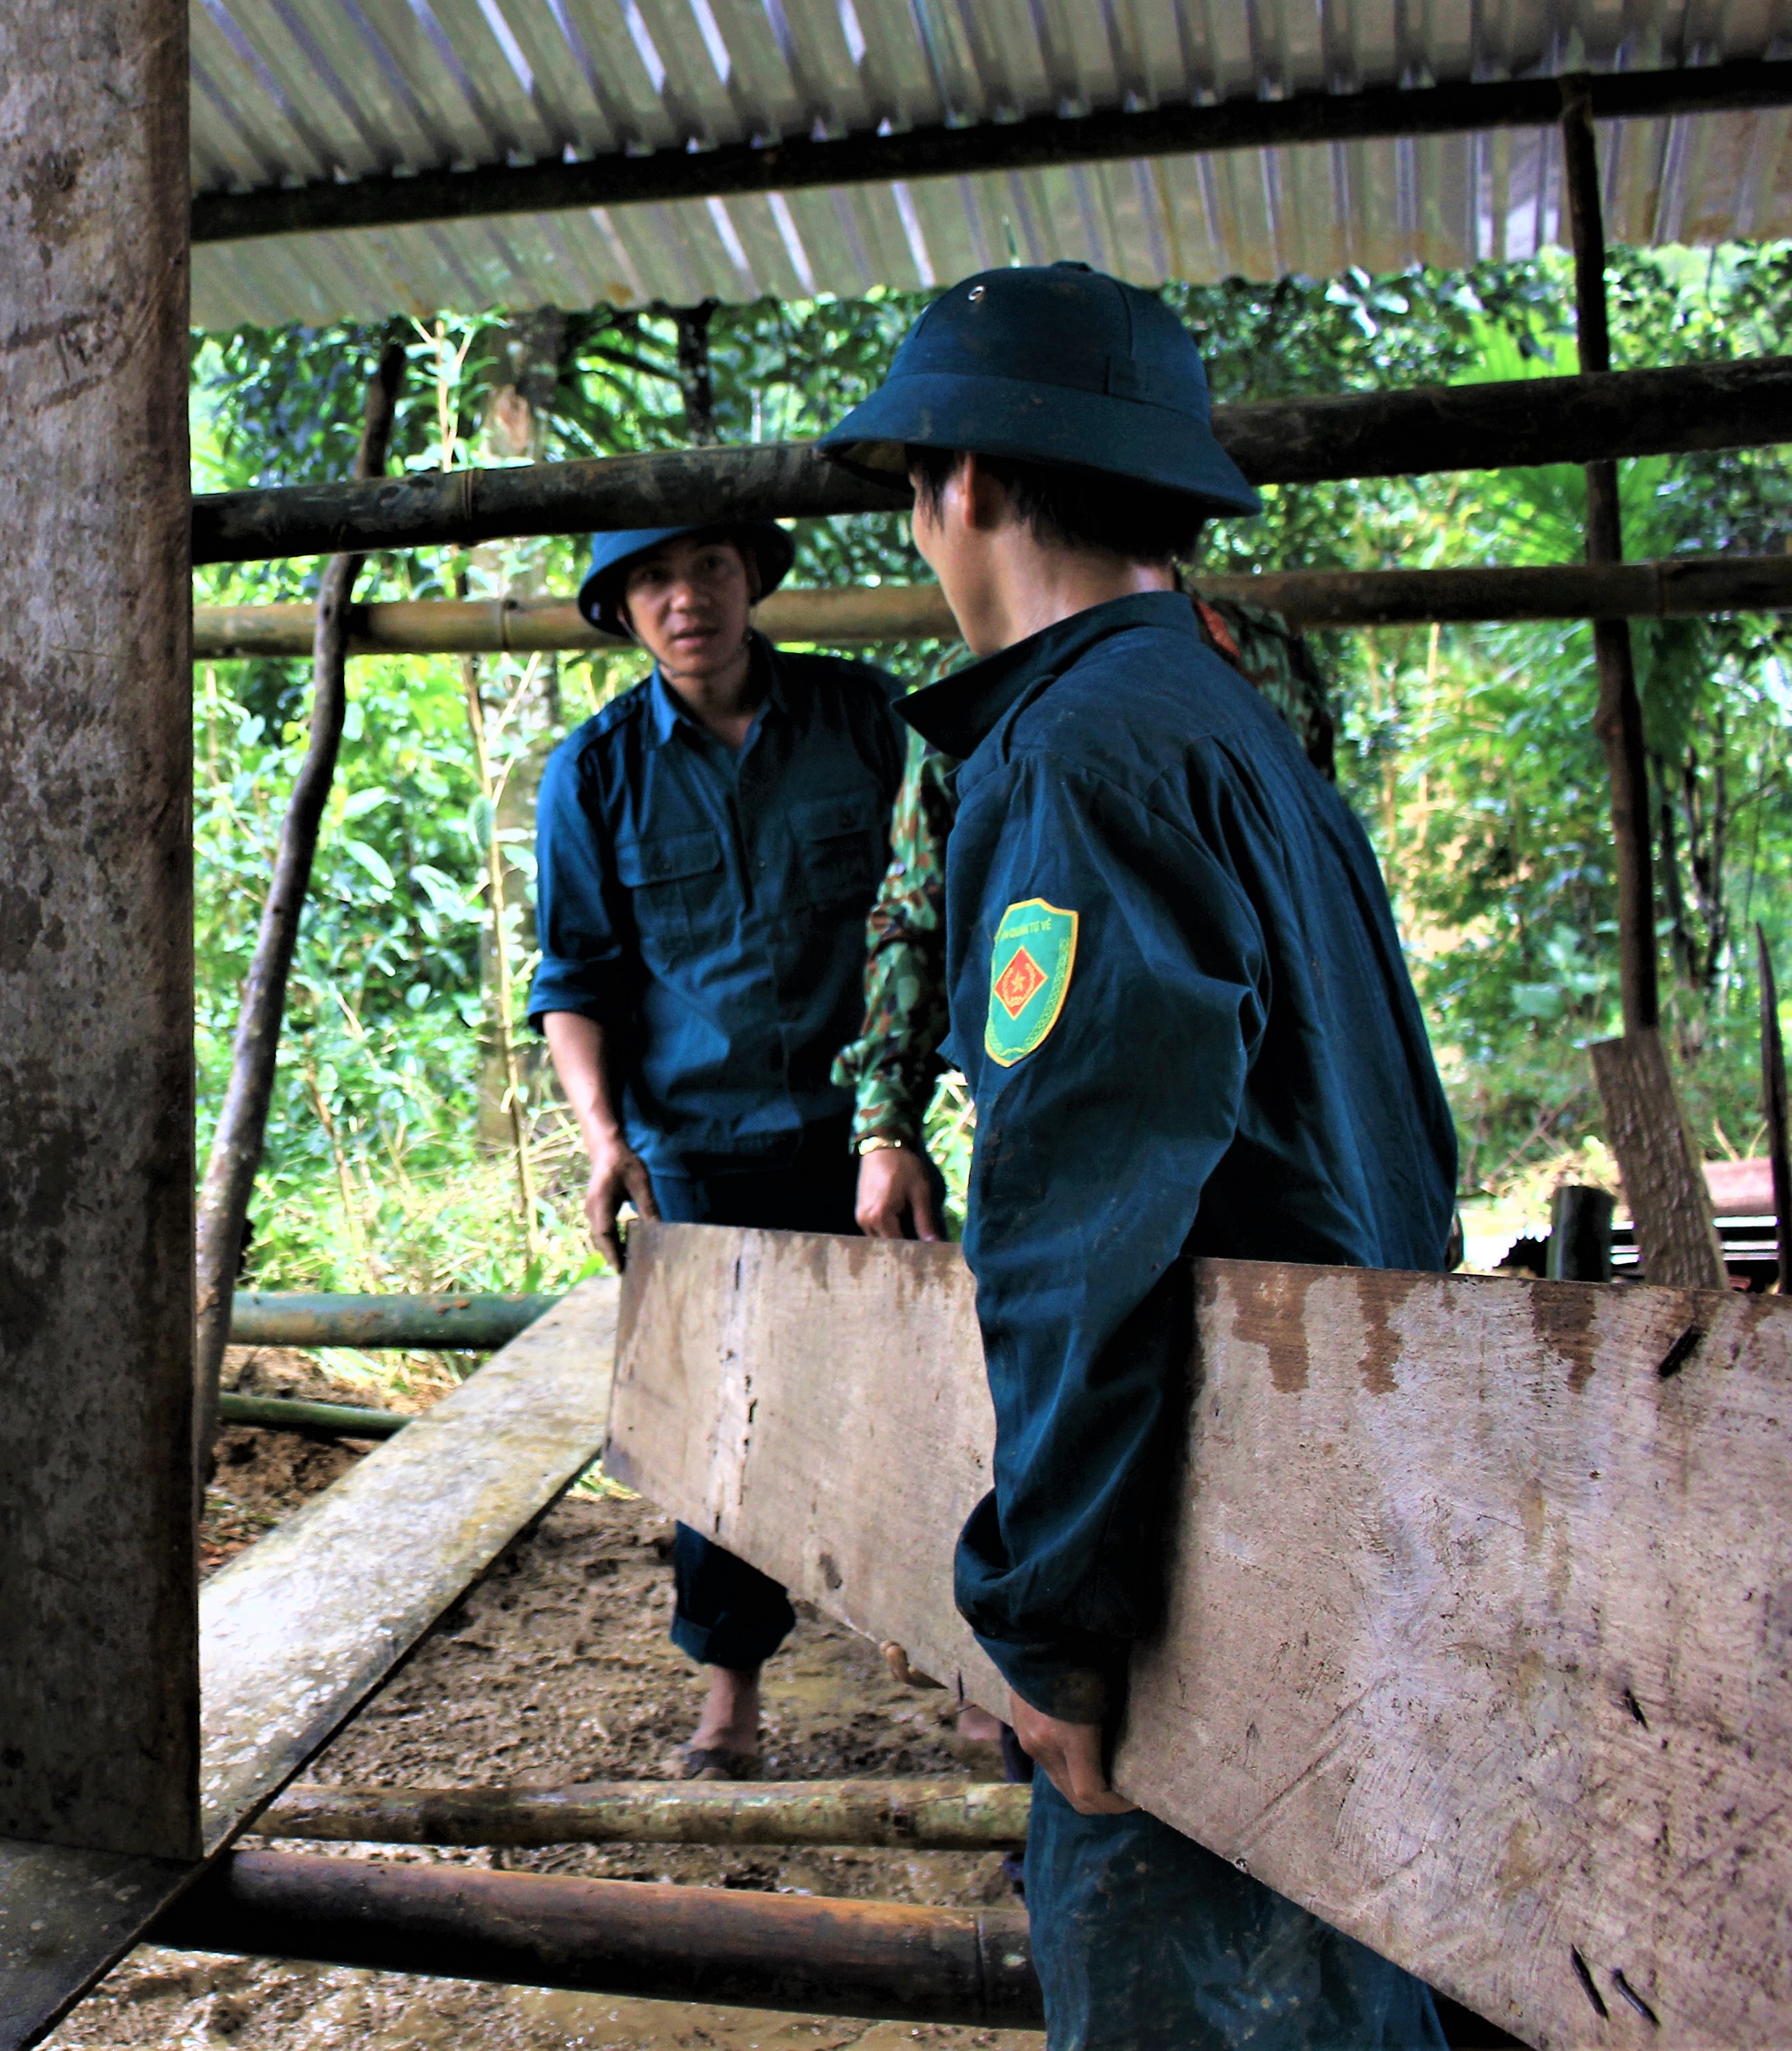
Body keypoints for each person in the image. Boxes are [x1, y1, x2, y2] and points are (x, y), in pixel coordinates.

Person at [818, 262, 1455, 2048]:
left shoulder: (1076, 759)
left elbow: (1081, 1225)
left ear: (966, 481)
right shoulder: (1236, 734)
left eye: (910, 491)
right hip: (1339, 1484)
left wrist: (1051, 1621)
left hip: (1196, 1546)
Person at [527, 512, 909, 1779]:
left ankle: (960, 1669)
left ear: (750, 578)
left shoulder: (867, 720)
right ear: (622, 612)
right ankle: (729, 1701)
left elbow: (937, 914)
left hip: (868, 1133)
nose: (682, 598)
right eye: (648, 579)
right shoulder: (591, 774)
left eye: (704, 567)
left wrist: (902, 1114)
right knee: (716, 1432)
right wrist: (601, 1134)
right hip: (693, 1147)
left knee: (915, 1398)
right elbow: (574, 976)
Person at [838, 594, 1341, 1243]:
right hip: (1078, 1103)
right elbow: (918, 912)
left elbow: (1319, 892)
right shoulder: (977, 680)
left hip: (1276, 1086)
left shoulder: (1259, 652)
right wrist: (887, 1125)